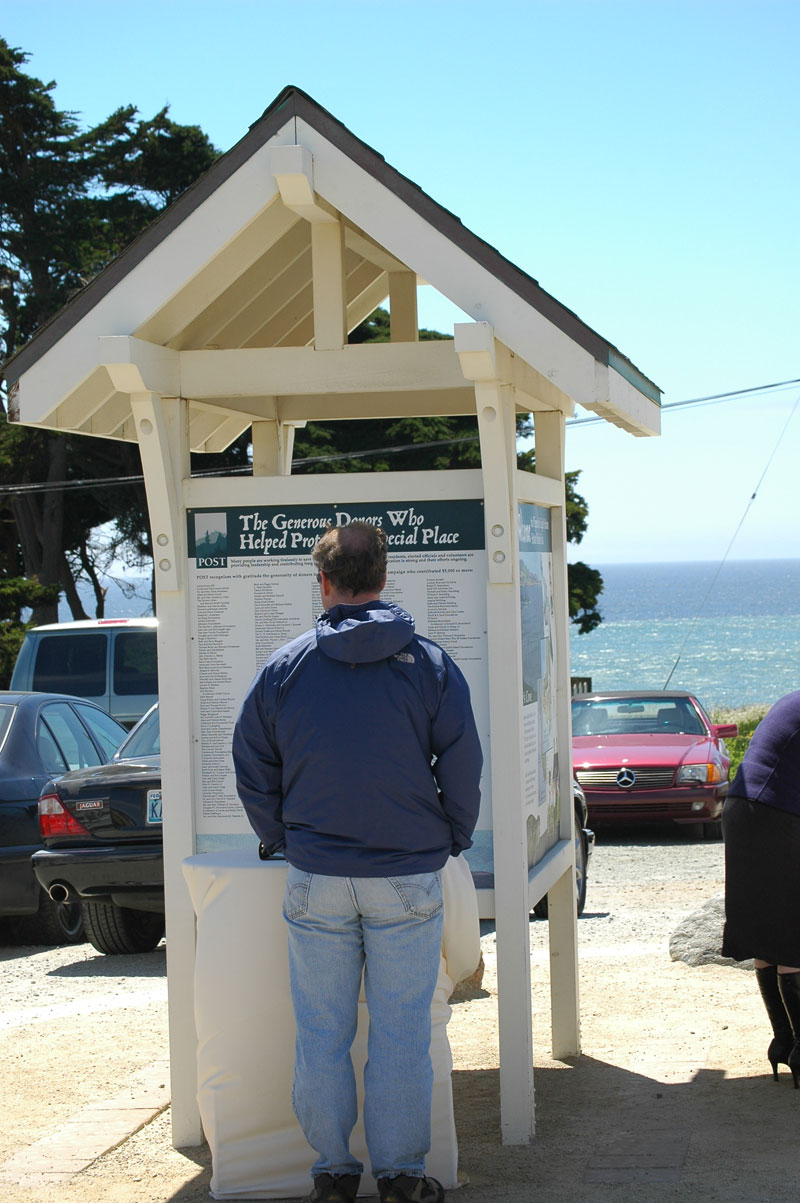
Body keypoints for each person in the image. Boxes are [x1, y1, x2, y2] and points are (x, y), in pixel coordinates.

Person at [232, 521, 483, 1203]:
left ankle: (334, 1172)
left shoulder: (284, 668)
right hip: (406, 873)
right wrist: (450, 835)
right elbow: (463, 762)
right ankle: (400, 1174)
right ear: (383, 576)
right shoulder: (428, 663)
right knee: (401, 1030)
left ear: (323, 582)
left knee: (322, 1031)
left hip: (317, 872)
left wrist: (284, 836)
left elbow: (252, 763)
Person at [721, 690, 800, 1086]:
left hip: (745, 809)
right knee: (793, 938)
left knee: (770, 937)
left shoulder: (793, 700)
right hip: (776, 817)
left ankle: (784, 1042)